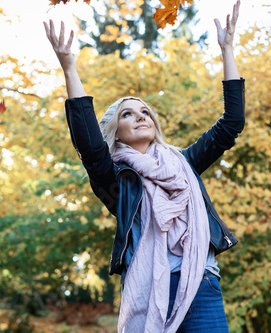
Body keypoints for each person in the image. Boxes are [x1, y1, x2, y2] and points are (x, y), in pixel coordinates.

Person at [44, 1, 244, 331]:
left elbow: (232, 123)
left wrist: (227, 48)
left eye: (144, 112)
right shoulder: (117, 180)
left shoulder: (184, 163)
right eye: (128, 113)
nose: (140, 115)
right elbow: (90, 147)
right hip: (149, 290)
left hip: (202, 287)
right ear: (115, 132)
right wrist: (69, 69)